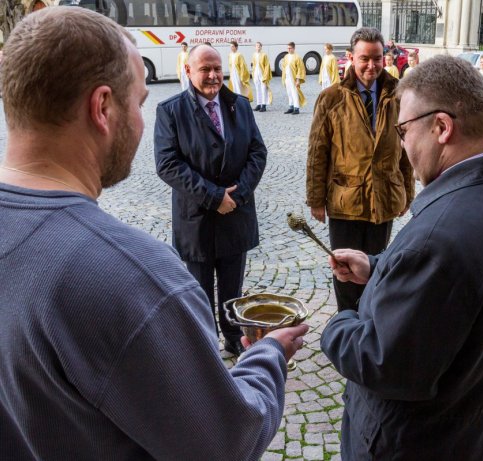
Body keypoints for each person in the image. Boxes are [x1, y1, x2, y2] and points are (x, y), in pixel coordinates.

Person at [0, 7, 307, 460]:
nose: (141, 121)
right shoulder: (135, 278)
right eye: (138, 101)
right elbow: (226, 441)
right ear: (102, 107)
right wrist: (268, 357)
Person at [320, 55, 483, 460]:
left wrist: (337, 322)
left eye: (404, 130)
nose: (402, 143)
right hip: (475, 433)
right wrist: (378, 269)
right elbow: (456, 296)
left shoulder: (439, 236)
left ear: (441, 127)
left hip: (416, 444)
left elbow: (383, 362)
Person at [154, 44, 268, 357]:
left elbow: (257, 152)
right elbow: (167, 164)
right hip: (197, 218)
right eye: (205, 69)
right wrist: (214, 196)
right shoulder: (170, 111)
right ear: (188, 71)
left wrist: (238, 195)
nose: (213, 75)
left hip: (236, 215)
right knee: (199, 290)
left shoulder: (240, 106)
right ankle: (204, 346)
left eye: (217, 68)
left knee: (233, 288)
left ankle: (234, 337)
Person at [306, 27, 415, 312]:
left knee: (376, 267)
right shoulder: (332, 98)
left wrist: (407, 191)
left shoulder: (398, 94)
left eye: (377, 58)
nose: (372, 65)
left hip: (384, 197)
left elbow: (405, 147)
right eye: (365, 58)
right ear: (351, 58)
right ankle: (347, 323)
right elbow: (318, 151)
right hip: (346, 201)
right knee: (344, 270)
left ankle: (370, 321)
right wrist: (316, 199)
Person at [281, 41, 306, 114]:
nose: (288, 50)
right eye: (288, 48)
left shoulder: (297, 57)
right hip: (287, 77)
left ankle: (296, 108)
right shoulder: (286, 56)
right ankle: (291, 106)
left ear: (294, 48)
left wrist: (298, 80)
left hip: (294, 77)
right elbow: (284, 66)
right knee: (289, 92)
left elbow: (300, 69)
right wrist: (284, 77)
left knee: (294, 92)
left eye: (290, 48)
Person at [251, 41, 272, 112]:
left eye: (259, 46)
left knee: (263, 89)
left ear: (261, 47)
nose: (257, 47)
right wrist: (253, 74)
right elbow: (253, 65)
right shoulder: (254, 55)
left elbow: (267, 66)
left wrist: (265, 76)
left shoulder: (264, 55)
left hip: (262, 74)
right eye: (256, 46)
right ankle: (258, 104)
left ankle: (264, 105)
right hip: (256, 74)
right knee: (257, 89)